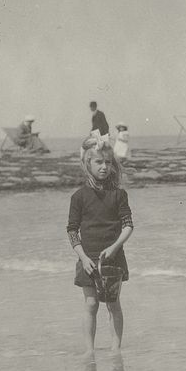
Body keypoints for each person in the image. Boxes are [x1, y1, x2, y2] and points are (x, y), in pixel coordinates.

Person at [66, 131, 134, 351]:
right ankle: (90, 351)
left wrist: (114, 247)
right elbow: (72, 231)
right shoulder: (78, 197)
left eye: (108, 162)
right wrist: (83, 258)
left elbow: (128, 225)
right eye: (98, 162)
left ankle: (116, 350)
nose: (104, 167)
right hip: (88, 259)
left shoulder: (119, 195)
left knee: (113, 304)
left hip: (113, 257)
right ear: (87, 163)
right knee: (91, 304)